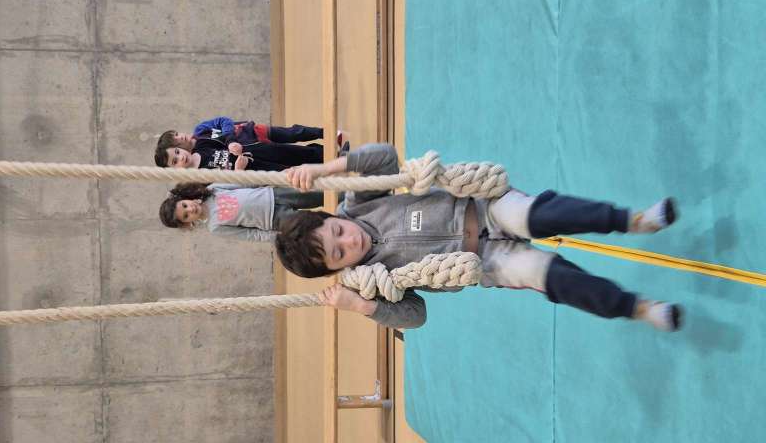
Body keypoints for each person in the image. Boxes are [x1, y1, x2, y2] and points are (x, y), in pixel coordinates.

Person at [275, 143, 683, 332]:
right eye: (338, 254)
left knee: (540, 215)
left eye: (338, 232)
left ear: (332, 217)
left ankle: (634, 220)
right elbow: (415, 316)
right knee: (554, 278)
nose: (349, 243)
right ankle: (639, 308)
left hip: (486, 208)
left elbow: (383, 157)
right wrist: (362, 306)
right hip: (487, 263)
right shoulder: (370, 281)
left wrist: (326, 169)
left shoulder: (360, 203)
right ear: (334, 269)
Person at [154, 116, 348, 171]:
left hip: (253, 134)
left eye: (177, 135)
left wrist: (231, 139)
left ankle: (329, 134)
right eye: (175, 159)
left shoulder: (201, 133)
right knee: (294, 158)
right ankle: (332, 155)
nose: (181, 138)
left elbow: (224, 121)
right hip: (256, 158)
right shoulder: (199, 169)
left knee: (293, 133)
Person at [159, 182, 324, 242]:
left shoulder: (213, 190)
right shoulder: (214, 226)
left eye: (185, 205)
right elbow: (250, 235)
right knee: (315, 223)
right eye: (186, 215)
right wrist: (276, 237)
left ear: (185, 199)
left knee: (319, 195)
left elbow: (244, 184)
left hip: (275, 194)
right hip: (275, 219)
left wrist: (271, 179)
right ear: (187, 223)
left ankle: (341, 196)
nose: (190, 210)